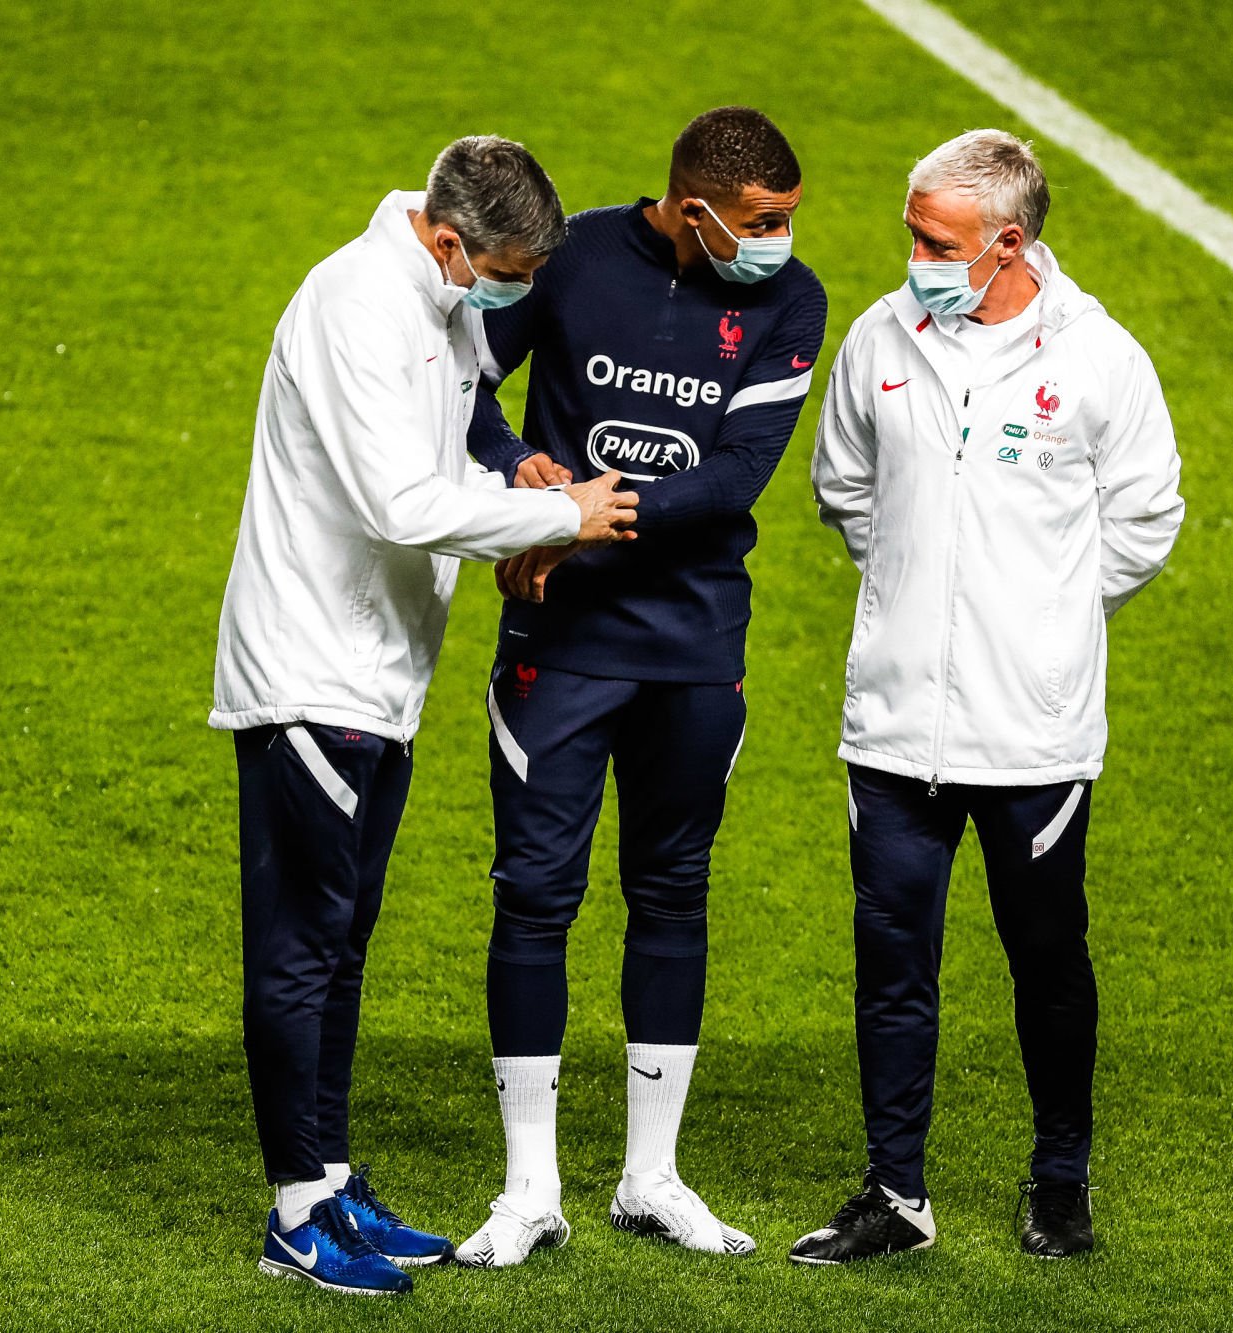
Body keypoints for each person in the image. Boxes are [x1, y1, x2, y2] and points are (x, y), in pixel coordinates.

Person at [209, 135, 639, 1297]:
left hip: (377, 674)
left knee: (342, 946)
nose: (512, 293)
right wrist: (562, 519)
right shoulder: (357, 307)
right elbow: (400, 504)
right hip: (310, 671)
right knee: (300, 951)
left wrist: (518, 476)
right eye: (504, 273)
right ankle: (295, 1215)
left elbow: (454, 445)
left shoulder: (437, 298)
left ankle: (329, 1178)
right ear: (449, 240)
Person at [792, 129, 1183, 1265]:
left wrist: (1044, 621)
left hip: (1032, 733)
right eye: (913, 235)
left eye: (935, 242)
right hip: (894, 725)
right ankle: (894, 1192)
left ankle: (1060, 1179)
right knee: (892, 966)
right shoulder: (880, 338)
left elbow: (1144, 519)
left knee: (1047, 960)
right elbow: (845, 489)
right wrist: (917, 598)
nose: (913, 258)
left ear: (1006, 244)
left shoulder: (1101, 358)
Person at [450, 107, 828, 1268]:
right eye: (758, 221)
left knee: (672, 892)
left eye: (785, 219)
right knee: (534, 896)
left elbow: (733, 478)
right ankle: (529, 1190)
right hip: (559, 641)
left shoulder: (792, 301)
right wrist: (518, 475)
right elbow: (460, 388)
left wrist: (578, 519)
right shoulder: (569, 261)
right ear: (693, 208)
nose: (776, 241)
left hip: (693, 646)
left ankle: (649, 1178)